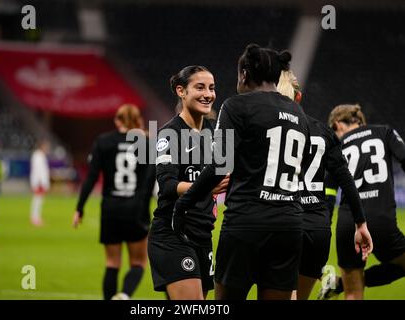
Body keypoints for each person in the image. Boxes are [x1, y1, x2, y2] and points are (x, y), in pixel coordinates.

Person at [173, 44, 311, 300]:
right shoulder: (298, 112)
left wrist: (185, 203)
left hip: (247, 222)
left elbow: (219, 165)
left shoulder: (236, 106)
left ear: (244, 74)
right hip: (290, 225)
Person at [276, 71, 372, 300]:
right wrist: (361, 223)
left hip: (282, 220)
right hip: (317, 229)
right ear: (298, 97)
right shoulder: (323, 131)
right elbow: (346, 180)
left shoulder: (268, 129)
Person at [148, 65, 229, 300]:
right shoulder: (169, 134)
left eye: (212, 88)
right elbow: (167, 185)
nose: (208, 94)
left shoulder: (217, 133)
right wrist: (205, 187)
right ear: (181, 91)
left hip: (204, 234)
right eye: (200, 87)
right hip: (173, 234)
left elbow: (229, 175)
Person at [320, 104, 405, 300]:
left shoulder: (337, 145)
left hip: (348, 224)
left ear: (337, 124)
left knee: (353, 294)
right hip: (381, 219)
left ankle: (345, 283)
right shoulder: (384, 131)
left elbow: (329, 192)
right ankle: (344, 282)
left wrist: (324, 229)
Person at [73, 104, 156, 300]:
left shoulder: (103, 141)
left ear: (117, 120)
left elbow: (91, 178)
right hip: (136, 209)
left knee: (112, 263)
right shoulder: (146, 143)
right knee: (138, 263)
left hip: (110, 208)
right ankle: (125, 295)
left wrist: (79, 208)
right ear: (137, 121)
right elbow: (152, 180)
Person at [29, 139, 51, 226]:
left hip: (40, 182)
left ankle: (36, 217)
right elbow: (38, 170)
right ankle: (35, 217)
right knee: (37, 199)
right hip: (39, 182)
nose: (47, 148)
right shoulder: (38, 155)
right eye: (46, 146)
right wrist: (41, 182)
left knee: (39, 199)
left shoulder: (41, 155)